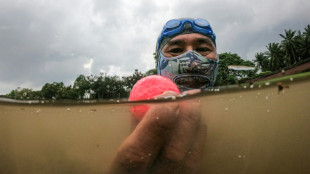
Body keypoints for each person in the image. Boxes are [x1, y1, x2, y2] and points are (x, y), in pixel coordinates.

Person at [110, 18, 218, 174]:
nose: (191, 58)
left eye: (202, 48)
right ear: (158, 62)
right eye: (175, 50)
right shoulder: (123, 123)